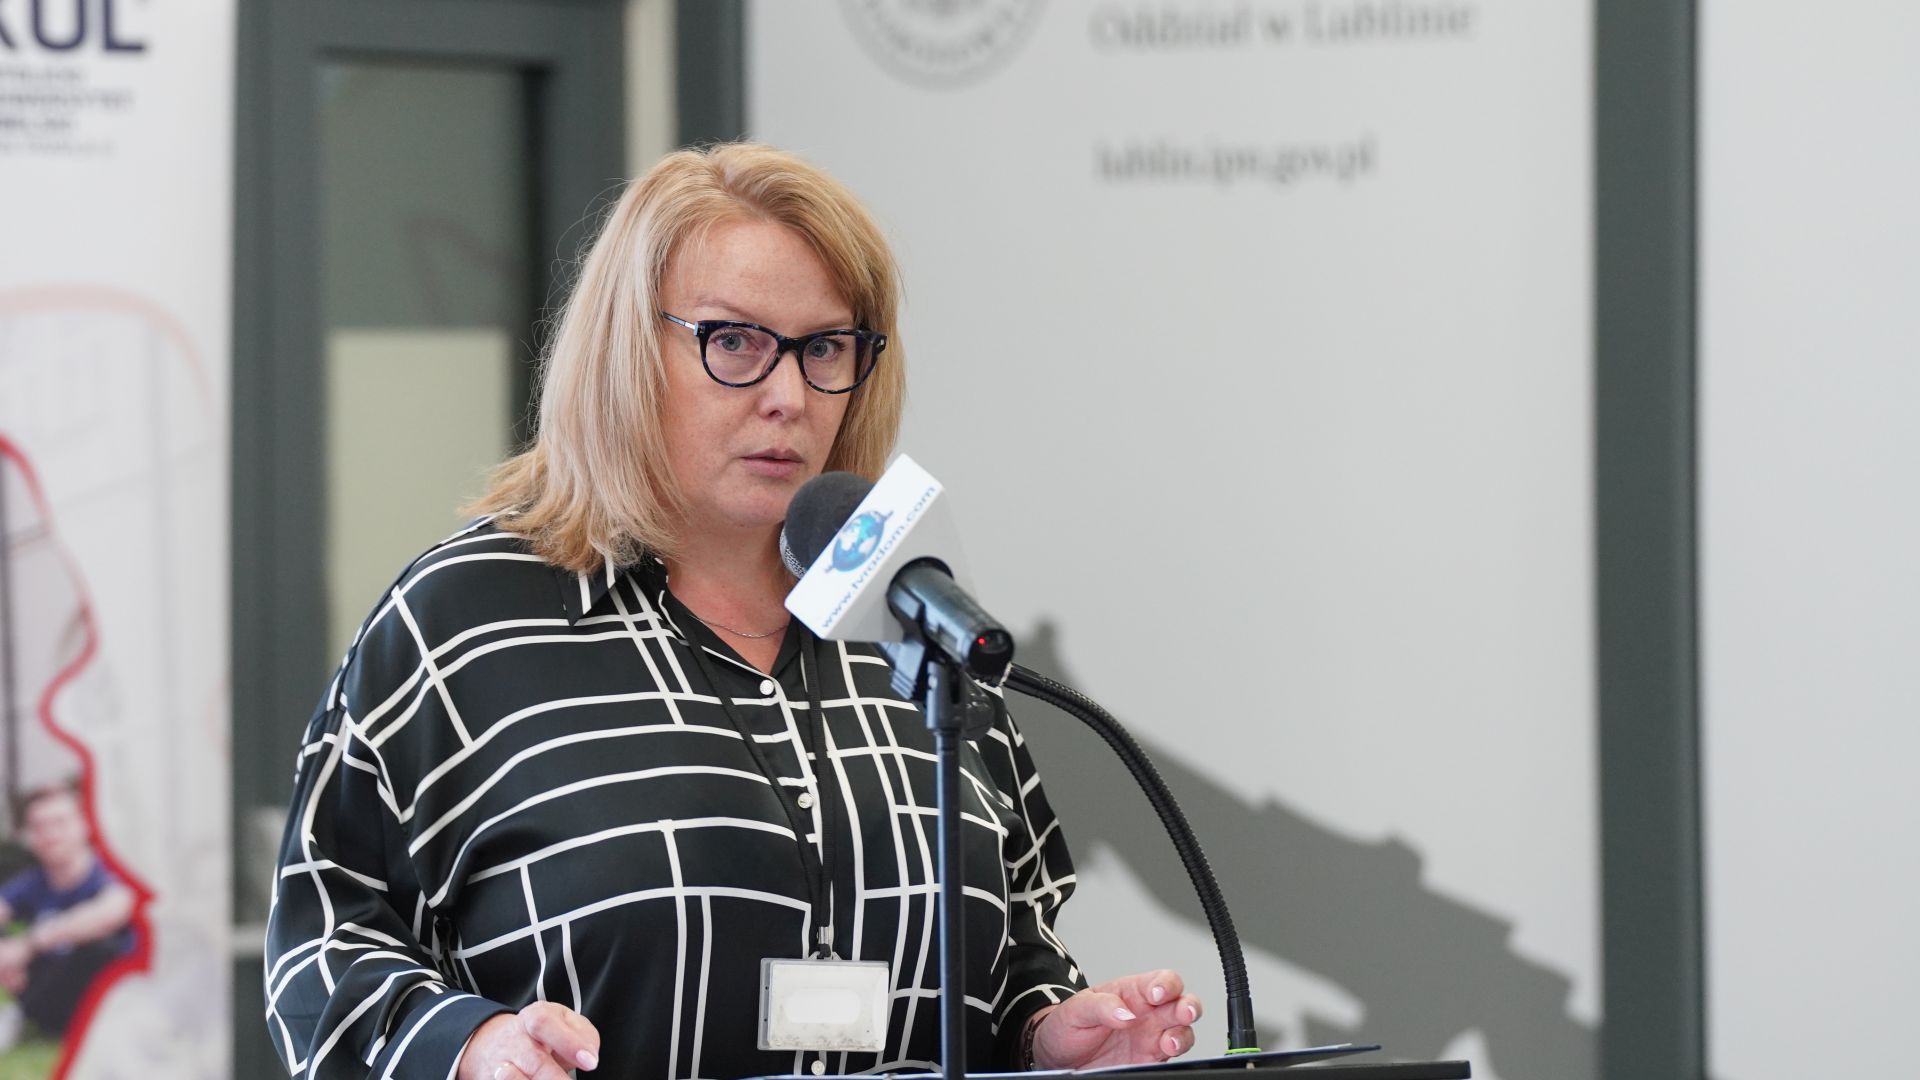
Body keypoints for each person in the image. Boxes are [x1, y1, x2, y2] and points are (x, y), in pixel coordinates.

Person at [264, 143, 1202, 1079]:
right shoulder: (464, 621)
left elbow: (1016, 941)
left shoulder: (908, 614)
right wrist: (472, 1048)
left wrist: (1048, 1037)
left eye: (824, 348)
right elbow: (322, 947)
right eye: (736, 343)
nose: (788, 397)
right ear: (628, 352)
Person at [0, 782, 137, 1042]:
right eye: (39, 826)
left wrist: (29, 945)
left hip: (104, 997)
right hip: (50, 1002)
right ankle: (22, 1014)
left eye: (59, 823)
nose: (50, 834)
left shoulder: (113, 871)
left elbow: (113, 910)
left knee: (100, 946)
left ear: (85, 824)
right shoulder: (32, 883)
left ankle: (19, 1014)